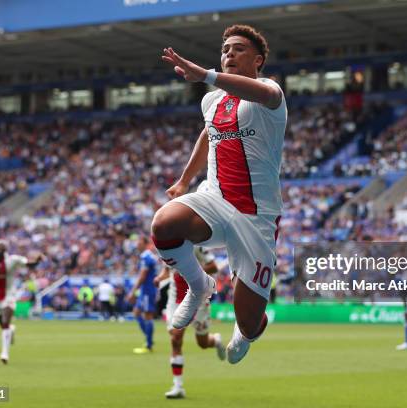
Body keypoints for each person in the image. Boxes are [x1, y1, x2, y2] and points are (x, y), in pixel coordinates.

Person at [152, 24, 286, 364]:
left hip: (255, 216)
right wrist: (184, 180)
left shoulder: (270, 93)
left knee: (250, 321)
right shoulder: (212, 99)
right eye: (225, 48)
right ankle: (199, 286)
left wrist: (206, 74)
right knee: (164, 223)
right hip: (214, 199)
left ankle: (248, 330)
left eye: (238, 48)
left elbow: (265, 94)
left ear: (257, 60)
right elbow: (207, 133)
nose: (229, 53)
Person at [155, 245, 226, 399]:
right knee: (175, 338)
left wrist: (192, 272)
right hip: (175, 299)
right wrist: (159, 278)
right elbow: (167, 270)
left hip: (198, 298)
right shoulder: (167, 245)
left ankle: (215, 340)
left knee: (203, 343)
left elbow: (213, 266)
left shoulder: (196, 245)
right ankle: (178, 386)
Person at [128, 236, 159, 354]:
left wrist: (132, 291)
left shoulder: (146, 257)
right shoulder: (148, 256)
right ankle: (148, 338)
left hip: (148, 290)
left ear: (145, 244)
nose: (137, 244)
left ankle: (149, 344)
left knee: (147, 316)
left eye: (139, 242)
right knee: (136, 312)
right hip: (146, 290)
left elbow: (143, 276)